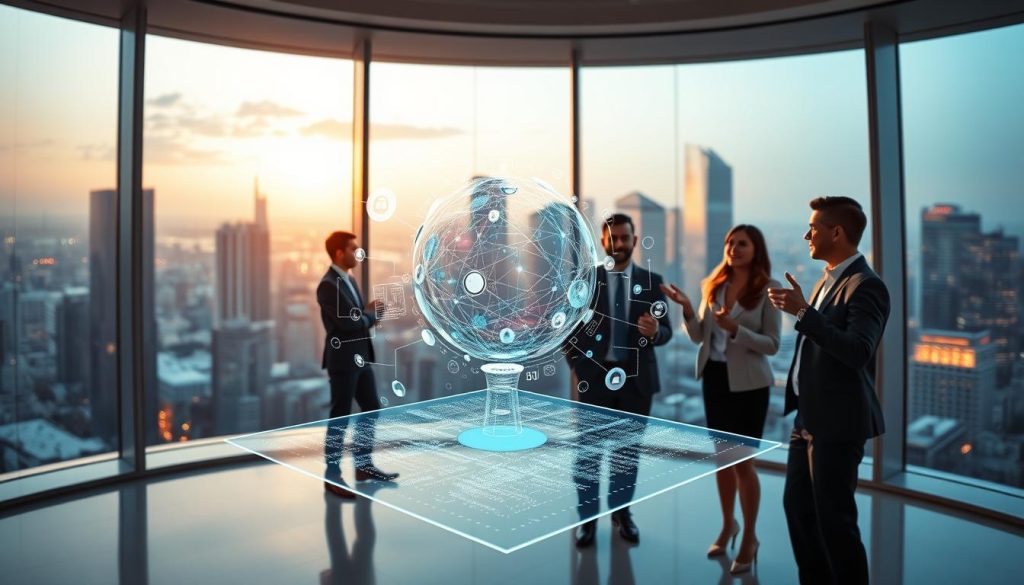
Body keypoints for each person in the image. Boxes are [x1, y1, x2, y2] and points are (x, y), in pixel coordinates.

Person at [767, 197, 889, 585]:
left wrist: (803, 313)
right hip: (808, 418)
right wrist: (805, 310)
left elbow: (857, 351)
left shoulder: (867, 286)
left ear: (837, 232)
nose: (806, 235)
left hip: (837, 425)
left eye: (814, 228)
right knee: (798, 511)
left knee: (835, 524)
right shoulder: (826, 279)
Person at [660, 224, 781, 575]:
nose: (733, 248)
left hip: (749, 387)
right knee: (723, 460)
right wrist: (685, 308)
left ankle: (750, 538)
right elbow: (700, 335)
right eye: (730, 242)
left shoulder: (767, 291)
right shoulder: (714, 286)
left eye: (742, 243)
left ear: (756, 249)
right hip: (714, 380)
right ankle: (729, 525)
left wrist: (736, 331)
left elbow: (772, 344)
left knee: (743, 463)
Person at [565, 213, 672, 547]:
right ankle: (588, 521)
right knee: (589, 454)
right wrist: (583, 370)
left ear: (634, 241)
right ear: (603, 241)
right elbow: (568, 332)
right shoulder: (586, 280)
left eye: (625, 238)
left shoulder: (653, 282)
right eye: (613, 238)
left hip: (635, 383)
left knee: (627, 455)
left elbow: (666, 332)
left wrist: (656, 332)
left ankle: (622, 514)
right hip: (596, 380)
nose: (619, 244)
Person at [318, 230, 399, 498]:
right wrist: (371, 314)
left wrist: (366, 313)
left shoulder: (349, 278)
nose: (357, 253)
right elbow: (349, 322)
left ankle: (363, 467)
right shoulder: (328, 285)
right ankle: (332, 477)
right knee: (340, 416)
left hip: (360, 357)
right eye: (353, 248)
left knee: (370, 408)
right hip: (343, 361)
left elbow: (355, 316)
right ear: (339, 252)